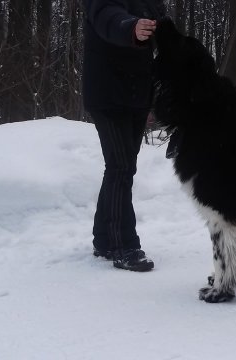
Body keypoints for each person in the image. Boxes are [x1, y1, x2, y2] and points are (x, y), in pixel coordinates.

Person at [82, 0, 165, 271]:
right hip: (107, 95)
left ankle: (103, 239)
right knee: (120, 166)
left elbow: (162, 31)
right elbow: (109, 18)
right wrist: (132, 27)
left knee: (123, 167)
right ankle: (123, 245)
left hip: (137, 96)